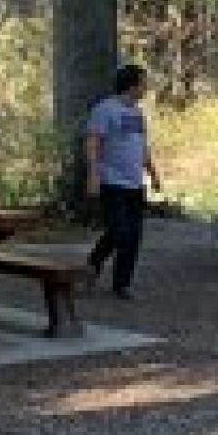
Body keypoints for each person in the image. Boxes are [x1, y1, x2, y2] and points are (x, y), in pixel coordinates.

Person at [85, 64, 162, 299]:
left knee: (133, 235)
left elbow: (141, 145)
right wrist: (93, 174)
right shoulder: (105, 109)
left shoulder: (137, 113)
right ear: (131, 85)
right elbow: (93, 142)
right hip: (112, 181)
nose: (146, 87)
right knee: (119, 232)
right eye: (143, 82)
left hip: (134, 184)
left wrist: (153, 172)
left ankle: (122, 284)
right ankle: (91, 268)